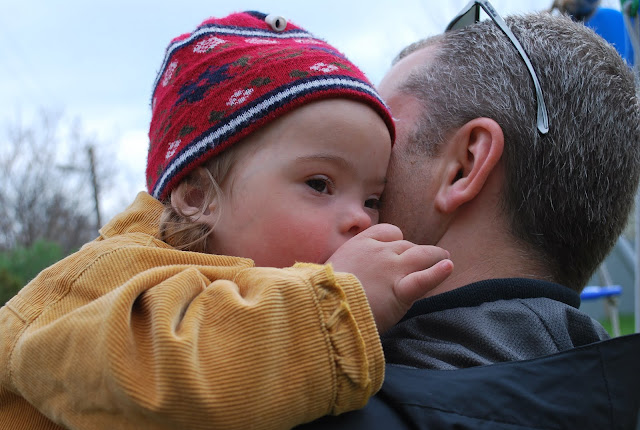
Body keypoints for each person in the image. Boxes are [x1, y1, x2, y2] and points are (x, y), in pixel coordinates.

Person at [0, 11, 453, 430]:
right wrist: (339, 307)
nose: (361, 219)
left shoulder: (255, 279)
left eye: (373, 199)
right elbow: (157, 384)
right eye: (319, 184)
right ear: (198, 197)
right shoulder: (108, 275)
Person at [300, 4, 640, 429]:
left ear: (463, 166)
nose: (362, 156)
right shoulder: (612, 398)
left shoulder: (296, 408)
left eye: (383, 134)